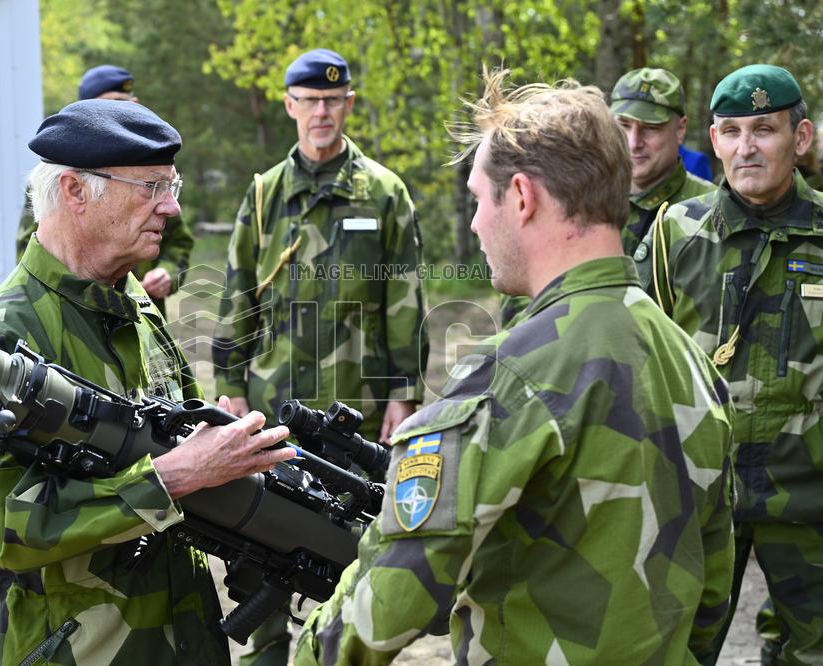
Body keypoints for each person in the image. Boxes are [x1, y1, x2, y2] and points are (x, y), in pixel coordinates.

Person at [294, 67, 735, 665]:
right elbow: (711, 589)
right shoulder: (692, 360)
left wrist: (311, 649)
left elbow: (394, 595)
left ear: (522, 197)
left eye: (479, 198)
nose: (476, 222)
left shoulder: (512, 373)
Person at [0, 99, 295, 665]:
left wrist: (227, 455)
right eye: (151, 187)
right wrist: (173, 476)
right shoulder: (0, 339)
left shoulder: (134, 303)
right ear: (76, 191)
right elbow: (4, 529)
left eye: (171, 185)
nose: (170, 208)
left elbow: (182, 452)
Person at [212, 47, 428, 665]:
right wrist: (231, 387)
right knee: (262, 550)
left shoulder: (383, 193)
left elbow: (404, 299)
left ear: (349, 104)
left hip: (351, 414)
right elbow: (236, 295)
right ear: (290, 106)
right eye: (310, 101)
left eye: (334, 100)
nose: (322, 112)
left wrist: (402, 394)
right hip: (273, 414)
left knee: (349, 561)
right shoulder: (263, 196)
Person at [649, 63, 823, 664]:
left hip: (807, 497)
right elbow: (638, 351)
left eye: (764, 130)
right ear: (714, 141)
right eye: (731, 132)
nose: (746, 147)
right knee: (675, 650)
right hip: (699, 493)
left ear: (800, 139)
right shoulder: (677, 232)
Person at [499, 67, 715, 327]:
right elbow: (527, 295)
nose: (634, 142)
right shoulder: (578, 195)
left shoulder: (709, 209)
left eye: (651, 128)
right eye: (623, 125)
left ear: (680, 130)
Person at [15, 64, 194, 314]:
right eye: (151, 187)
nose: (171, 207)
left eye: (124, 102)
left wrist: (167, 273)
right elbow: (35, 249)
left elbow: (179, 240)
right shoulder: (54, 176)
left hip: (138, 305)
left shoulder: (149, 169)